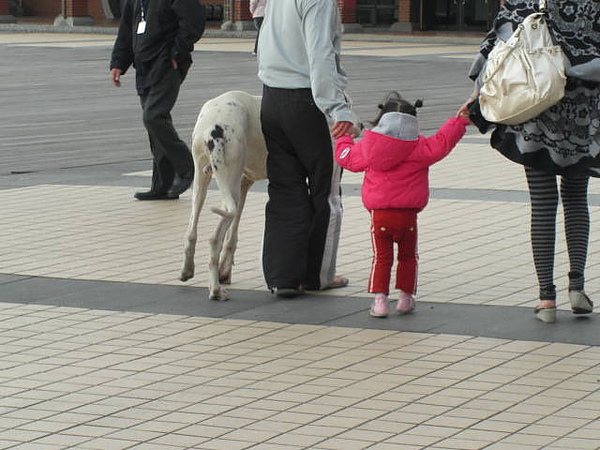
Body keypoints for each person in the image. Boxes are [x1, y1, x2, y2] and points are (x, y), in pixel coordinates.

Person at [458, 0, 600, 324]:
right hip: (583, 112)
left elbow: (501, 39)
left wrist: (478, 94)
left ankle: (546, 299)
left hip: (536, 106)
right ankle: (577, 286)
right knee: (577, 198)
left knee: (542, 202)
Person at [336, 92, 470, 317]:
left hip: (379, 216)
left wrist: (344, 138)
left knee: (381, 257)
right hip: (408, 216)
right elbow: (443, 141)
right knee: (408, 257)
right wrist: (459, 121)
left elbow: (346, 157)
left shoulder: (369, 148)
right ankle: (405, 299)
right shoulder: (420, 148)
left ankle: (380, 302)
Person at [257, 0, 356, 298]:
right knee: (325, 191)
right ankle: (317, 276)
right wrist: (338, 109)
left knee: (285, 188)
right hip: (308, 101)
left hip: (271, 97)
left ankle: (283, 277)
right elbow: (320, 53)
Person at [109, 0, 205, 201]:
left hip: (167, 63)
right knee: (154, 127)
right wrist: (118, 62)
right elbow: (126, 30)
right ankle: (163, 184)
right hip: (143, 65)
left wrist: (177, 52)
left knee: (153, 116)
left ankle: (188, 168)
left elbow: (193, 21)